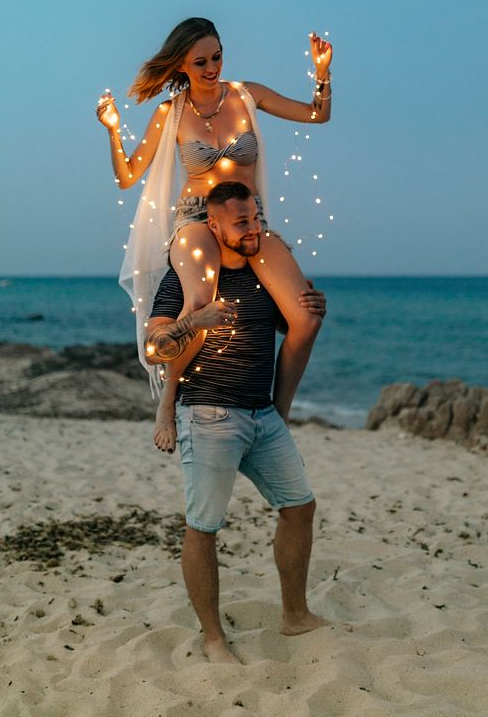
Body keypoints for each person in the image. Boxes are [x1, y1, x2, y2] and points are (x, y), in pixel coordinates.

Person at [96, 17, 332, 450]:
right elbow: (129, 175)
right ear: (181, 65)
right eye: (200, 61)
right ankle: (168, 402)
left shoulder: (247, 95)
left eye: (217, 57)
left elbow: (317, 115)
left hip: (248, 218)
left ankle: (277, 417)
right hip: (196, 219)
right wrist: (113, 130)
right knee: (202, 303)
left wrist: (321, 73)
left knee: (306, 316)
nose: (212, 68)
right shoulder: (172, 112)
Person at [145, 182, 332, 663]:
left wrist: (310, 313)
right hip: (209, 413)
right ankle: (213, 638)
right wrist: (195, 319)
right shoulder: (183, 279)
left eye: (256, 219)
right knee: (203, 526)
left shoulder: (262, 274)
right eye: (242, 223)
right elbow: (155, 348)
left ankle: (295, 615)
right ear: (214, 226)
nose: (253, 230)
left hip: (262, 413)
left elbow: (289, 330)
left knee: (299, 507)